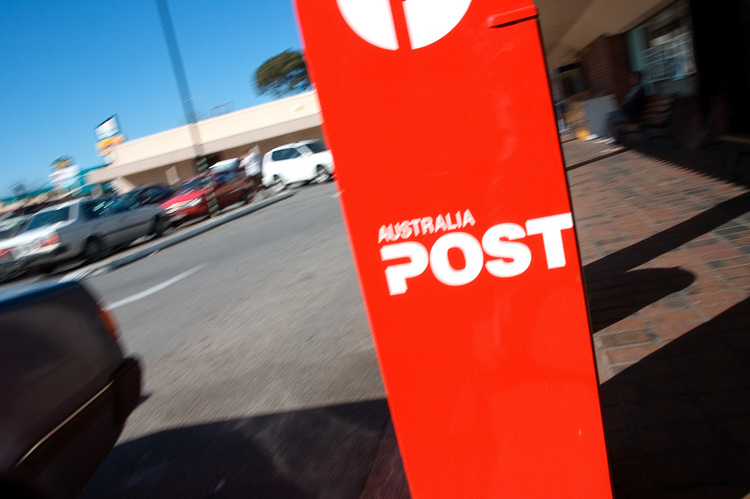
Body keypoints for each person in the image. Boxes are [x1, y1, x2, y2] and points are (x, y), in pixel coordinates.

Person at [603, 72, 646, 144]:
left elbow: (633, 104)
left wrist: (623, 109)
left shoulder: (639, 89)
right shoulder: (634, 89)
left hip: (631, 116)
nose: (630, 80)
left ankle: (613, 138)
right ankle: (612, 138)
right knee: (611, 116)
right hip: (627, 113)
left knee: (611, 118)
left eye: (632, 78)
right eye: (631, 78)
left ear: (637, 79)